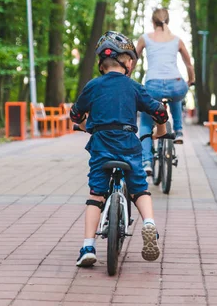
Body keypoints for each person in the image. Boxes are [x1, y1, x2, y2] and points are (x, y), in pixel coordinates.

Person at [70, 31, 169, 267]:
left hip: (101, 145)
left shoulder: (93, 86)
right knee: (139, 189)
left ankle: (87, 247)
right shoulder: (134, 87)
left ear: (101, 64)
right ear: (128, 62)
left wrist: (84, 126)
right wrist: (161, 131)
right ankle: (149, 224)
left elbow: (75, 113)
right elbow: (159, 112)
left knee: (96, 194)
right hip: (128, 144)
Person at [136, 7, 195, 174]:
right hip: (176, 83)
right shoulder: (177, 39)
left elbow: (132, 60)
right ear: (167, 21)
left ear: (153, 22)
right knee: (176, 95)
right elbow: (189, 64)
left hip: (152, 86)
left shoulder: (145, 38)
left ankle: (146, 161)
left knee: (146, 123)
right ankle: (179, 131)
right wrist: (191, 80)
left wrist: (126, 77)